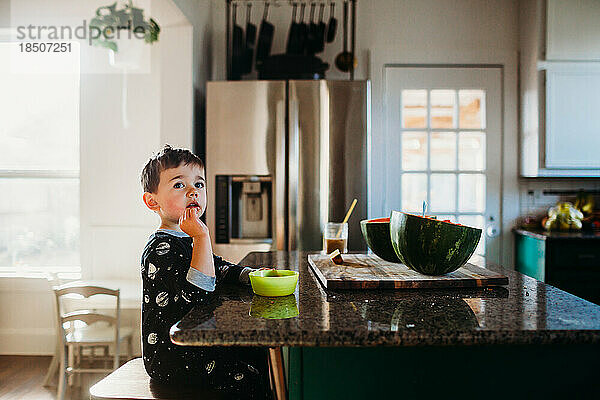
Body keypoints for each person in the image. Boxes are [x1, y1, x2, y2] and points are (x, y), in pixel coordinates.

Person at [140, 144, 270, 398]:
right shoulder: (160, 249)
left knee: (260, 352)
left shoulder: (186, 239)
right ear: (152, 201)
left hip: (193, 347)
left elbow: (217, 267)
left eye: (199, 185)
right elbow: (199, 297)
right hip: (173, 356)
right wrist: (202, 235)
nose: (192, 192)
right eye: (179, 185)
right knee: (251, 376)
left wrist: (249, 275)